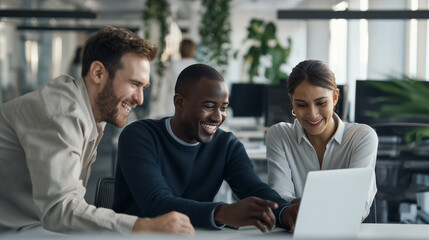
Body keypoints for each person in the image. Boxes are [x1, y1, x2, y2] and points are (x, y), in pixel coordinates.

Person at [0, 26, 194, 235]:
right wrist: (144, 225)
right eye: (134, 84)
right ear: (98, 73)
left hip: (31, 226)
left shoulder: (93, 113)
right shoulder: (62, 114)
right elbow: (59, 209)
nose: (140, 99)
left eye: (143, 87)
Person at [113, 63, 300, 232]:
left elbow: (255, 188)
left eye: (223, 108)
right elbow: (156, 203)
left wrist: (284, 212)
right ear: (179, 102)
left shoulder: (226, 145)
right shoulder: (139, 136)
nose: (218, 117)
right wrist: (221, 212)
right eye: (209, 106)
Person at [265, 59, 377, 219]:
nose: (312, 114)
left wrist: (301, 206)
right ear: (292, 101)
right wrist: (335, 206)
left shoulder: (361, 137)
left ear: (335, 97)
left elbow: (357, 208)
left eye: (321, 103)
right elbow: (279, 200)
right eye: (302, 105)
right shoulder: (279, 136)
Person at [154, 38, 198, 117]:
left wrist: (160, 108)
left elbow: (164, 86)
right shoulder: (198, 67)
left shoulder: (173, 65)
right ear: (194, 50)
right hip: (192, 106)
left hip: (171, 104)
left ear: (180, 49)